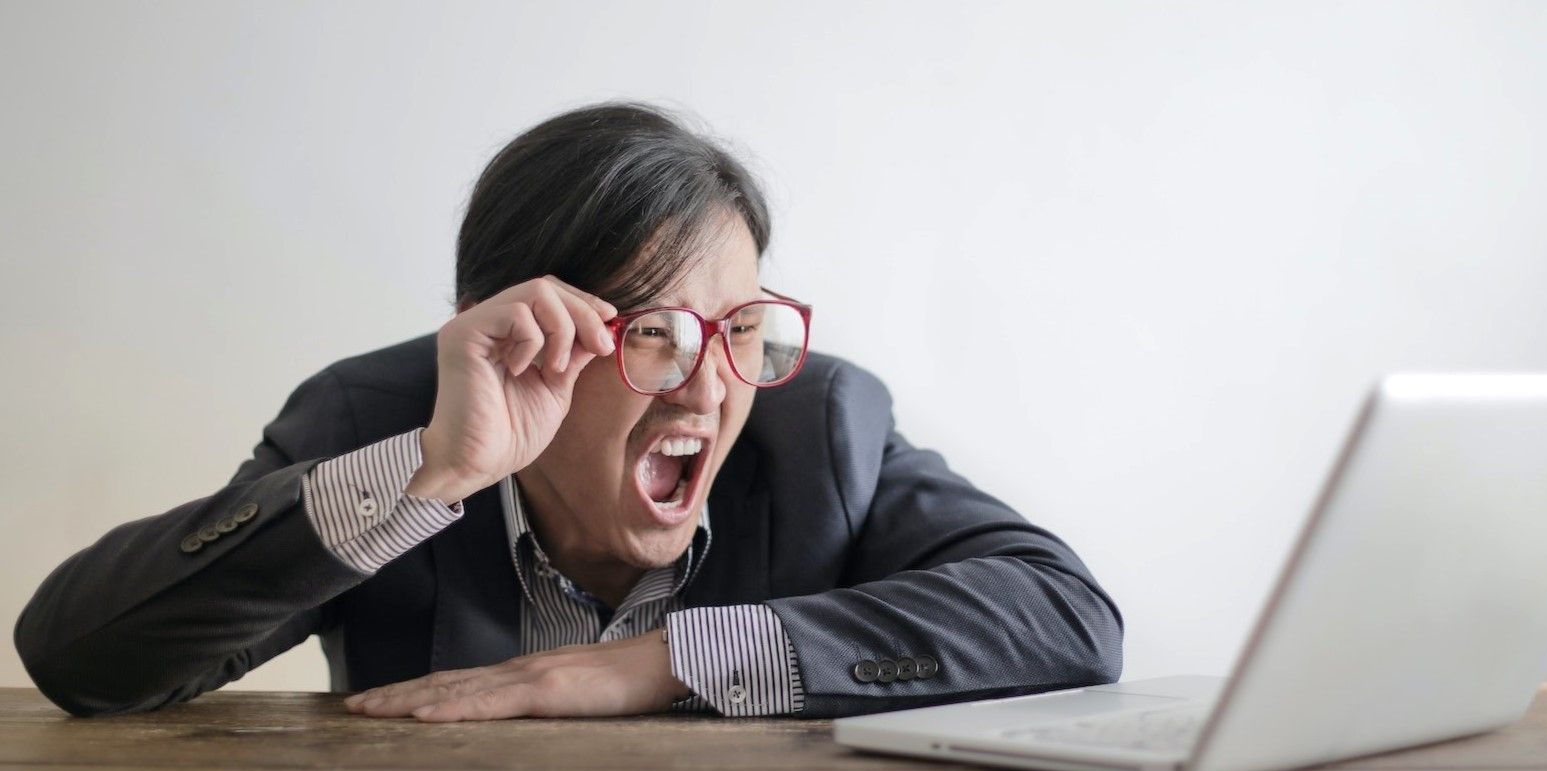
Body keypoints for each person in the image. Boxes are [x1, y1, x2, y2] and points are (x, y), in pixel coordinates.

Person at [14, 102, 1124, 720]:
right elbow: (78, 658)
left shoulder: (819, 423)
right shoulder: (378, 418)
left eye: (740, 327)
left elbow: (1066, 615)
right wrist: (429, 478)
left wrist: (660, 661)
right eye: (651, 331)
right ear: (504, 329)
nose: (707, 385)